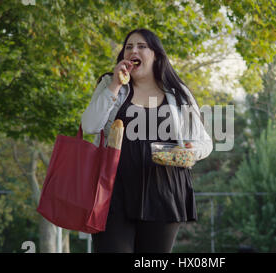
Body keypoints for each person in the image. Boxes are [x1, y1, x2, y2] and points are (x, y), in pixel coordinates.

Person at [81, 28, 213, 253]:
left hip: (164, 193)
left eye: (142, 46)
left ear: (156, 55)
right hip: (112, 193)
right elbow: (89, 125)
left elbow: (204, 142)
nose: (133, 50)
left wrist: (192, 152)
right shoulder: (110, 85)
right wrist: (115, 85)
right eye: (129, 47)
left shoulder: (178, 93)